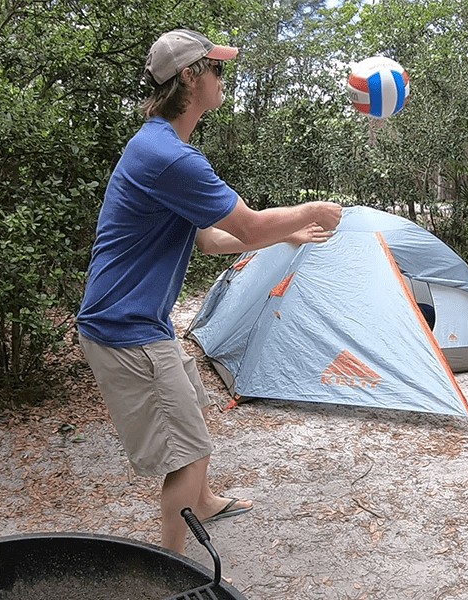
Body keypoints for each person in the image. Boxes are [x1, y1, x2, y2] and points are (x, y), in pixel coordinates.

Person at [76, 29, 342, 555]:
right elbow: (247, 229)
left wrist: (285, 233)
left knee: (193, 408)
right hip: (124, 330)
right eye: (215, 69)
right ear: (191, 76)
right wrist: (310, 211)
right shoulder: (171, 157)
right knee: (188, 452)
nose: (223, 77)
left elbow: (212, 238)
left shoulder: (162, 147)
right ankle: (172, 570)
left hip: (141, 322)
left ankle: (205, 502)